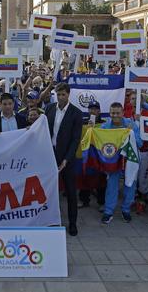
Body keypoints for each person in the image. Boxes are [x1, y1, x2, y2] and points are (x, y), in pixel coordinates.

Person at [46, 83, 83, 236]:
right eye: (58, 94)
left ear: (68, 95)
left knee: (70, 191)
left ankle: (72, 223)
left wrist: (67, 159)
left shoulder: (76, 113)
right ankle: (49, 220)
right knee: (48, 190)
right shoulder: (49, 108)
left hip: (67, 157)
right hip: (50, 155)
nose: (60, 98)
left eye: (63, 95)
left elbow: (76, 139)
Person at [100, 102, 142, 224]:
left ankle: (126, 210)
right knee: (111, 185)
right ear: (109, 113)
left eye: (118, 113)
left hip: (129, 159)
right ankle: (108, 212)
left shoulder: (131, 124)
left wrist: (131, 134)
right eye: (113, 113)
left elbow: (139, 143)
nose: (115, 115)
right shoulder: (105, 126)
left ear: (123, 113)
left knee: (130, 184)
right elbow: (99, 142)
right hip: (113, 160)